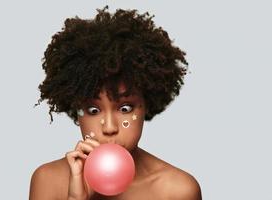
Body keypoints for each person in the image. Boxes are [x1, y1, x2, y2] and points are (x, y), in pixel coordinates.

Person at [30, 5, 202, 200]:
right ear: (75, 110)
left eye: (125, 108)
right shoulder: (48, 181)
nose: (110, 127)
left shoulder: (177, 190)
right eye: (93, 110)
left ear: (146, 105)